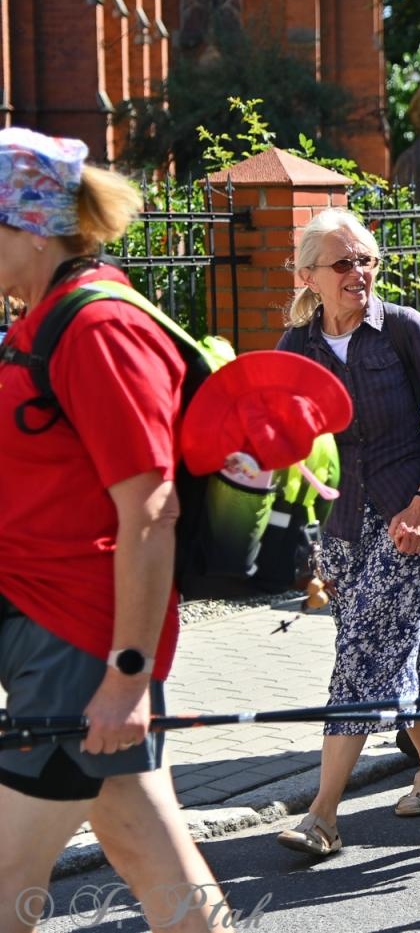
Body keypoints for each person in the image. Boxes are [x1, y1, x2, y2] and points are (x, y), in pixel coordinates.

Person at [0, 129, 229, 929]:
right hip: (49, 631)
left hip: (77, 646)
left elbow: (151, 508)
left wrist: (128, 676)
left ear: (27, 226)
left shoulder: (99, 329)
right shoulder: (42, 319)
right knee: (151, 860)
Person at [274, 209, 420, 857]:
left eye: (367, 260)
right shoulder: (296, 346)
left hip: (412, 517)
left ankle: (322, 815)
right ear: (309, 276)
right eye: (343, 263)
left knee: (358, 659)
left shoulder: (402, 328)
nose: (360, 273)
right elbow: (278, 432)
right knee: (382, 654)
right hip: (342, 526)